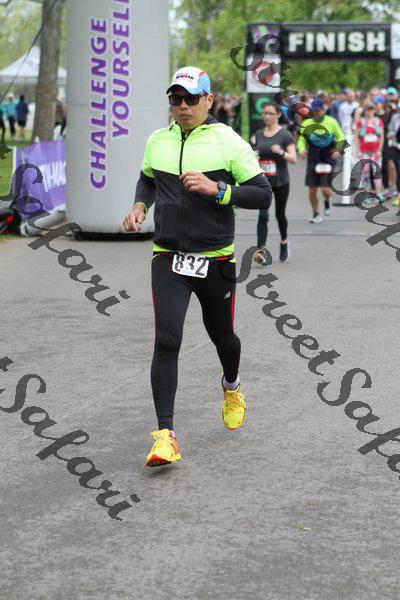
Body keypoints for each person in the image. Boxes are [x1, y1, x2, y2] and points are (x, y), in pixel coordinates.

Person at [123, 66, 271, 467]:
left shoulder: (228, 142)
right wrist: (140, 205)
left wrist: (218, 189)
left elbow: (262, 195)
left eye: (191, 99)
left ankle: (231, 385)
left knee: (223, 338)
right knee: (167, 339)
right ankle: (165, 437)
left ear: (209, 100)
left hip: (215, 259)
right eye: (176, 99)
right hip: (168, 255)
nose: (183, 106)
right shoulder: (158, 140)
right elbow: (148, 179)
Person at [251, 101, 296, 264]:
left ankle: (284, 242)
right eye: (265, 113)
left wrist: (281, 152)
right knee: (263, 215)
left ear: (278, 115)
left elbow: (294, 159)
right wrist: (254, 157)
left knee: (279, 214)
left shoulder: (285, 135)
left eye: (270, 113)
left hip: (281, 181)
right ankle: (261, 250)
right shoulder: (258, 134)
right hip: (263, 181)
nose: (267, 116)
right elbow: (253, 154)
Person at [298, 97, 345, 223]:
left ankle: (327, 200)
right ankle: (316, 213)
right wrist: (301, 149)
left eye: (318, 110)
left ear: (323, 110)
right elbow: (301, 139)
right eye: (314, 110)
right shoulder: (306, 123)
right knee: (312, 189)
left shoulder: (331, 122)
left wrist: (338, 150)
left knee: (325, 189)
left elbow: (341, 136)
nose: (316, 112)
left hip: (327, 158)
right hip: (313, 158)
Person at [354, 103, 384, 200]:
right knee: (365, 172)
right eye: (368, 109)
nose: (370, 111)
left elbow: (382, 136)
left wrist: (379, 149)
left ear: (374, 110)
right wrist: (358, 150)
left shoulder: (378, 121)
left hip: (375, 151)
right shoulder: (361, 122)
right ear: (365, 111)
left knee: (377, 171)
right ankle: (366, 194)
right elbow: (356, 136)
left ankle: (378, 193)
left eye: (371, 109)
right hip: (364, 151)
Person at [387, 103, 400, 208]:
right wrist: (396, 141)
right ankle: (398, 193)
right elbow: (390, 132)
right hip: (396, 146)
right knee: (397, 168)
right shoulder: (394, 118)